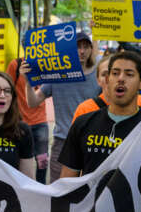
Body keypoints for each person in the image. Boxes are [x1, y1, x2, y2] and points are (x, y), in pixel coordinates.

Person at [59, 51, 141, 177]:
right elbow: (66, 183)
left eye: (129, 74)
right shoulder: (82, 124)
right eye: (115, 73)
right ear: (107, 79)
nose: (121, 79)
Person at [21, 32, 100, 182]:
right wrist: (28, 81)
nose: (82, 51)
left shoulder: (98, 76)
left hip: (90, 141)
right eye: (78, 47)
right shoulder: (58, 75)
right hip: (62, 142)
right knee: (58, 190)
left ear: (91, 49)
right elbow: (33, 102)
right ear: (70, 49)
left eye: (86, 47)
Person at [72, 55, 141, 123]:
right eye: (105, 74)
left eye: (115, 74)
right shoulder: (84, 109)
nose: (115, 78)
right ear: (98, 80)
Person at [7, 57, 49, 184]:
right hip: (20, 121)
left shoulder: (48, 62)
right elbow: (8, 87)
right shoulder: (15, 64)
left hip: (40, 121)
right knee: (21, 159)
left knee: (42, 161)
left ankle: (41, 188)